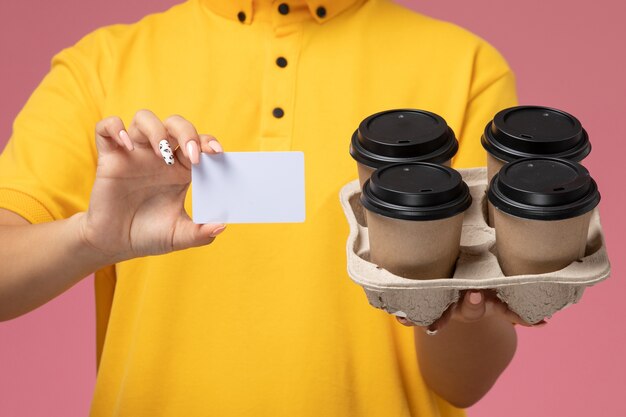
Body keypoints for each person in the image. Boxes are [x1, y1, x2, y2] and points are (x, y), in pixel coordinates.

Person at [0, 0, 536, 415]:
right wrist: (91, 238)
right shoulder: (100, 67)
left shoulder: (465, 69)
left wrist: (457, 301)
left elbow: (462, 383)